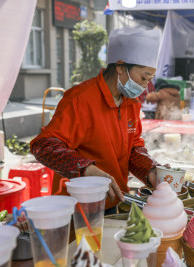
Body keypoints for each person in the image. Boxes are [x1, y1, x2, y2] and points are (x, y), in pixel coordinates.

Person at [31, 28, 166, 215]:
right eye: (143, 78)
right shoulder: (80, 99)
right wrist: (86, 169)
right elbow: (43, 146)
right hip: (76, 208)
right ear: (120, 66)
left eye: (149, 80)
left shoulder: (131, 104)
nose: (144, 87)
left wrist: (150, 170)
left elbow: (133, 148)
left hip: (112, 201)